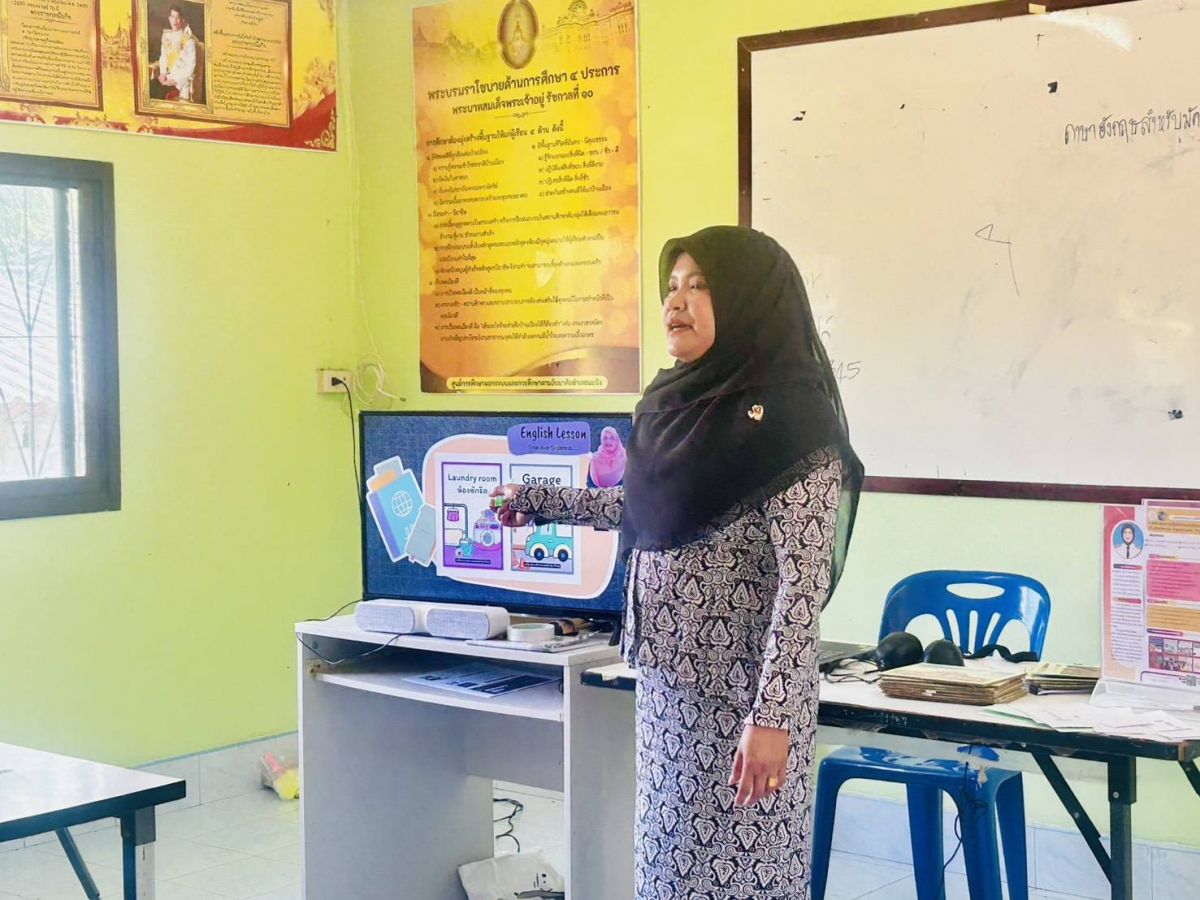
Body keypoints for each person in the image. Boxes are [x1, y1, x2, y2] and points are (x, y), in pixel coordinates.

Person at [491, 226, 863, 898]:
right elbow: (649, 511)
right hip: (669, 690)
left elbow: (800, 586)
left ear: (748, 300)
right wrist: (539, 501)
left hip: (744, 703)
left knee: (742, 877)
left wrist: (774, 718)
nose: (676, 302)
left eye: (701, 286)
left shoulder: (793, 423)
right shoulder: (675, 407)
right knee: (668, 872)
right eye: (671, 287)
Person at [157, 5, 198, 102]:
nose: (175, 20)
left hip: (179, 84)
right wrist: (162, 74)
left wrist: (175, 80)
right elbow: (163, 57)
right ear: (169, 18)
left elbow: (190, 68)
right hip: (166, 79)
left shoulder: (189, 41)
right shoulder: (166, 37)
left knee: (159, 95)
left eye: (178, 17)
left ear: (182, 20)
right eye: (172, 16)